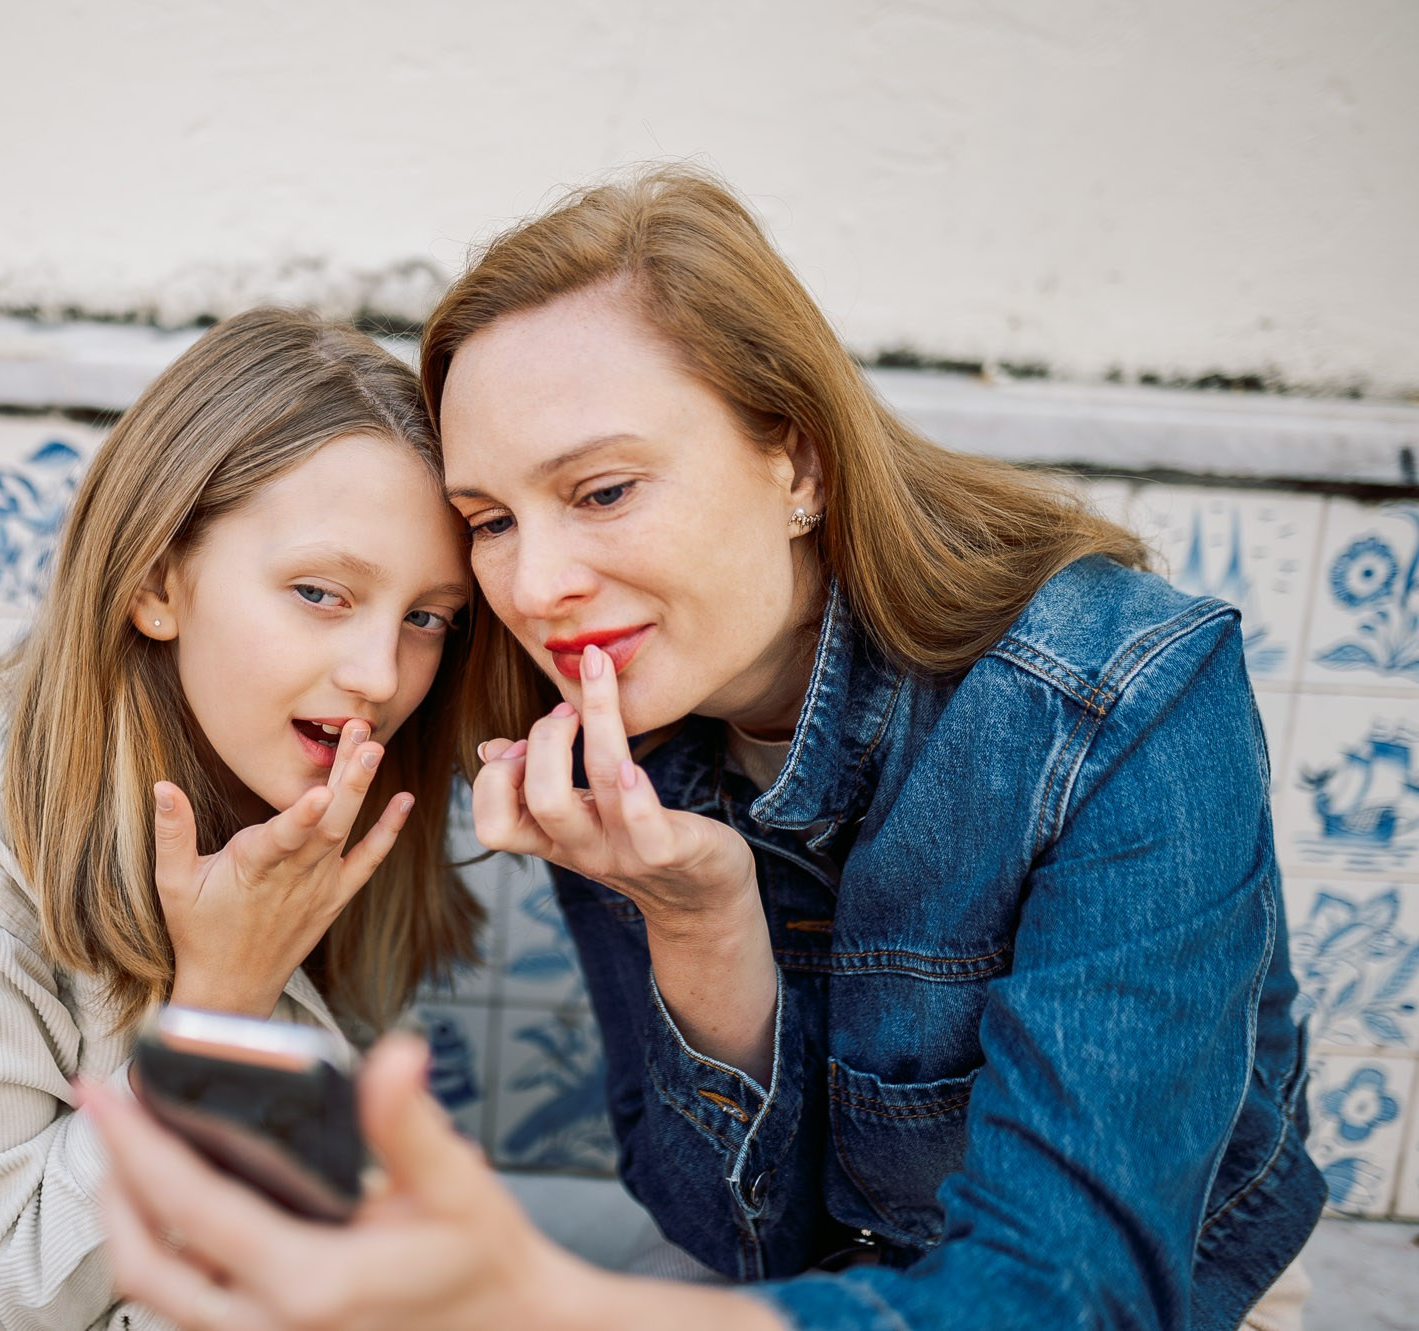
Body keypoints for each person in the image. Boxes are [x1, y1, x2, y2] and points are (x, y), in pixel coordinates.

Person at [78, 167, 1324, 1330]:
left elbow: (1077, 1294)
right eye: (491, 520)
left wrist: (547, 1301)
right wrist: (703, 927)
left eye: (604, 490)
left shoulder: (1121, 702)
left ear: (799, 458)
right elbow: (736, 1240)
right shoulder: (605, 725)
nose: (538, 585)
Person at [0, 308, 483, 1331]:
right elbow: (3, 1290)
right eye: (319, 591)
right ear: (153, 579)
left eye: (425, 617)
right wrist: (214, 1014)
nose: (378, 674)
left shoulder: (291, 791)